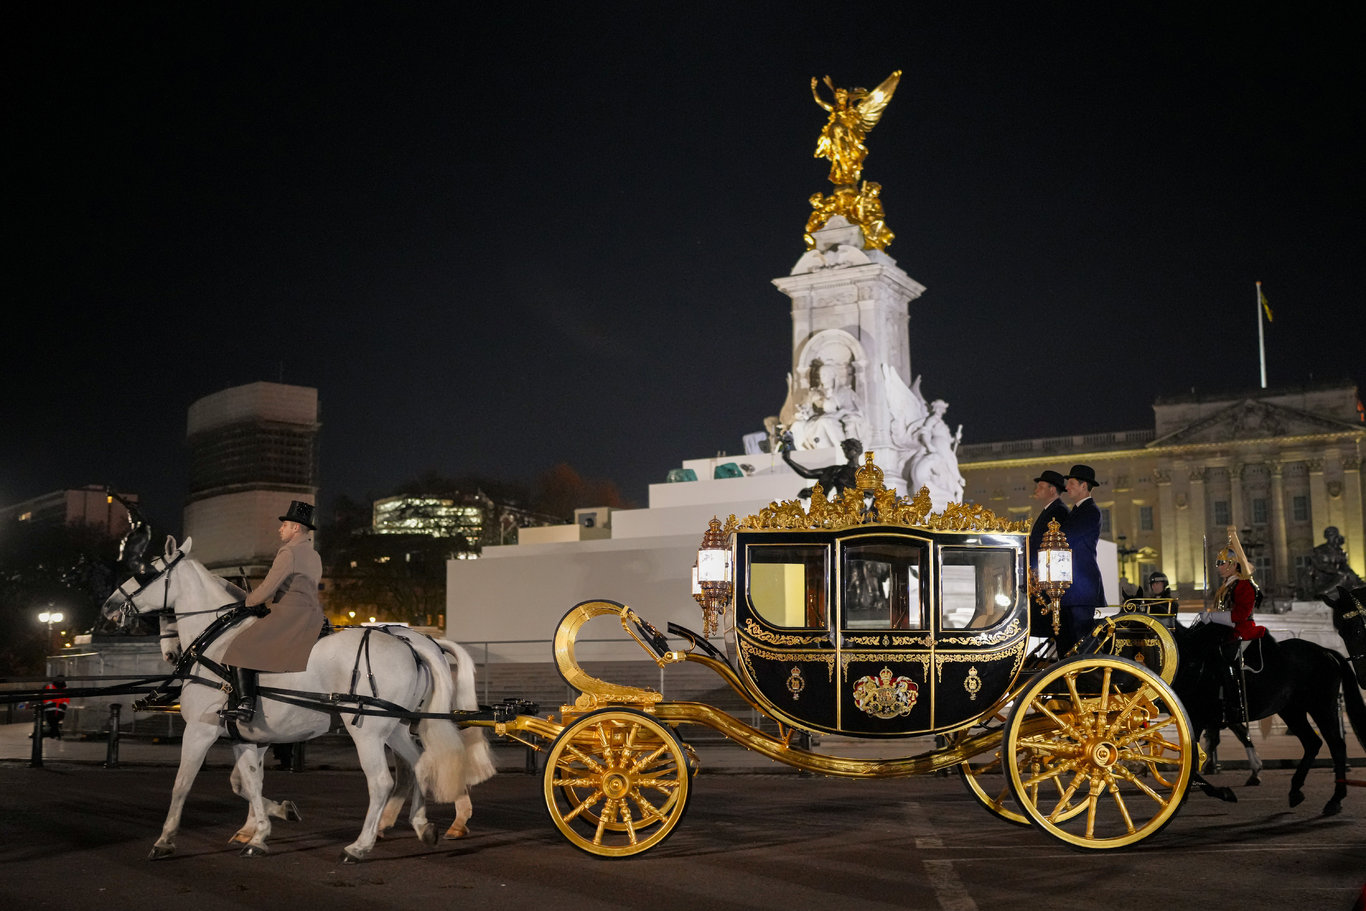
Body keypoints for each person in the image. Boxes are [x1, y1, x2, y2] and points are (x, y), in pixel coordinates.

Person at [219, 500, 326, 722]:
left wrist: (248, 602)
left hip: (289, 615)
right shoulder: (314, 555)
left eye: (284, 525)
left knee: (239, 647)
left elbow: (268, 587)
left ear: (296, 528)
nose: (280, 529)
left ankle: (246, 703)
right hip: (313, 615)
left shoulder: (289, 552)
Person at [1209, 529, 1268, 724]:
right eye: (1217, 563)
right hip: (1227, 630)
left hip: (1242, 630)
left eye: (1221, 563)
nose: (1218, 566)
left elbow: (1240, 614)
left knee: (1226, 660)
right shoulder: (1225, 585)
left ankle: (1235, 702)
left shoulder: (1243, 585)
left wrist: (1214, 618)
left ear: (1233, 565)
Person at [1057, 464, 1104, 654]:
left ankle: (1086, 680)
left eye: (1071, 483)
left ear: (1084, 486)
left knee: (1082, 641)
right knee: (1068, 641)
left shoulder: (1091, 511)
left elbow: (1069, 537)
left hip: (1081, 587)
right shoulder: (1076, 511)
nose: (1067, 487)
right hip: (1072, 586)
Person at [1027, 470, 1070, 637]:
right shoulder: (1050, 510)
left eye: (1040, 487)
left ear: (1052, 490)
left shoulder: (1058, 511)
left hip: (1047, 581)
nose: (1036, 490)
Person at [782, 435, 864, 500]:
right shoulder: (837, 470)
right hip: (840, 511)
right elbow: (808, 473)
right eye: (844, 449)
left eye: (848, 449)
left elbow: (872, 494)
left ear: (856, 451)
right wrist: (788, 460)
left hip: (859, 512)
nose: (845, 451)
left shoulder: (865, 474)